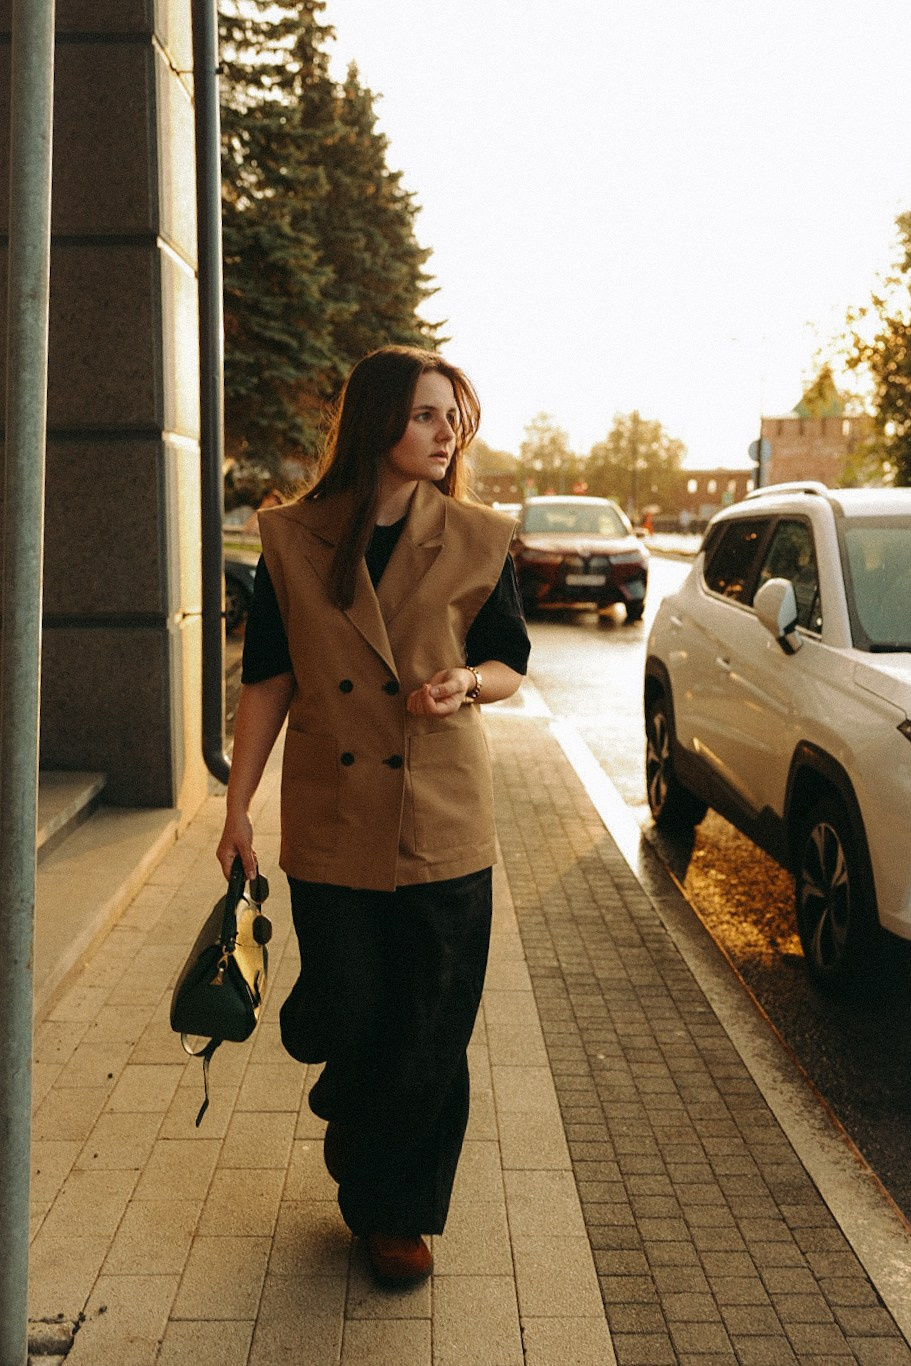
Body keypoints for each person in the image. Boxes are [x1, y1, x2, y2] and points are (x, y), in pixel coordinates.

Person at [215, 345, 530, 1286]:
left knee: (431, 1025)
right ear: (376, 421)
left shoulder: (478, 535)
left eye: (454, 418)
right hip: (334, 814)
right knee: (351, 1008)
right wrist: (237, 811)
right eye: (428, 415)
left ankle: (394, 1214)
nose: (447, 434)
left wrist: (467, 683)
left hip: (442, 812)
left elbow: (512, 660)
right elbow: (267, 681)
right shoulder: (293, 536)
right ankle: (350, 1089)